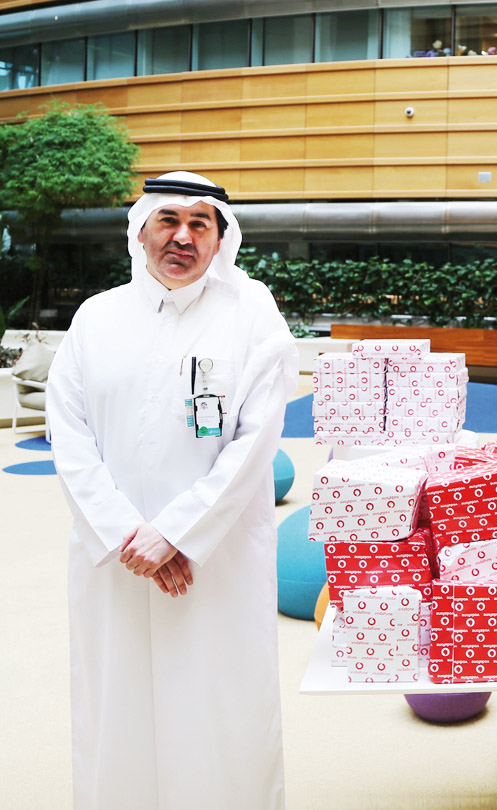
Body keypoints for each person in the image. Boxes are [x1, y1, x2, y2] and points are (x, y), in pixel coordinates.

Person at [47, 171, 299, 809]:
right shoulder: (96, 317)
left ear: (220, 238)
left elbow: (255, 439)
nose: (182, 237)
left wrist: (178, 534)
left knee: (219, 704)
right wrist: (132, 537)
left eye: (199, 223)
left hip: (216, 561)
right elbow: (68, 433)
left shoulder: (252, 315)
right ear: (141, 230)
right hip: (117, 560)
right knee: (116, 704)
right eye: (168, 220)